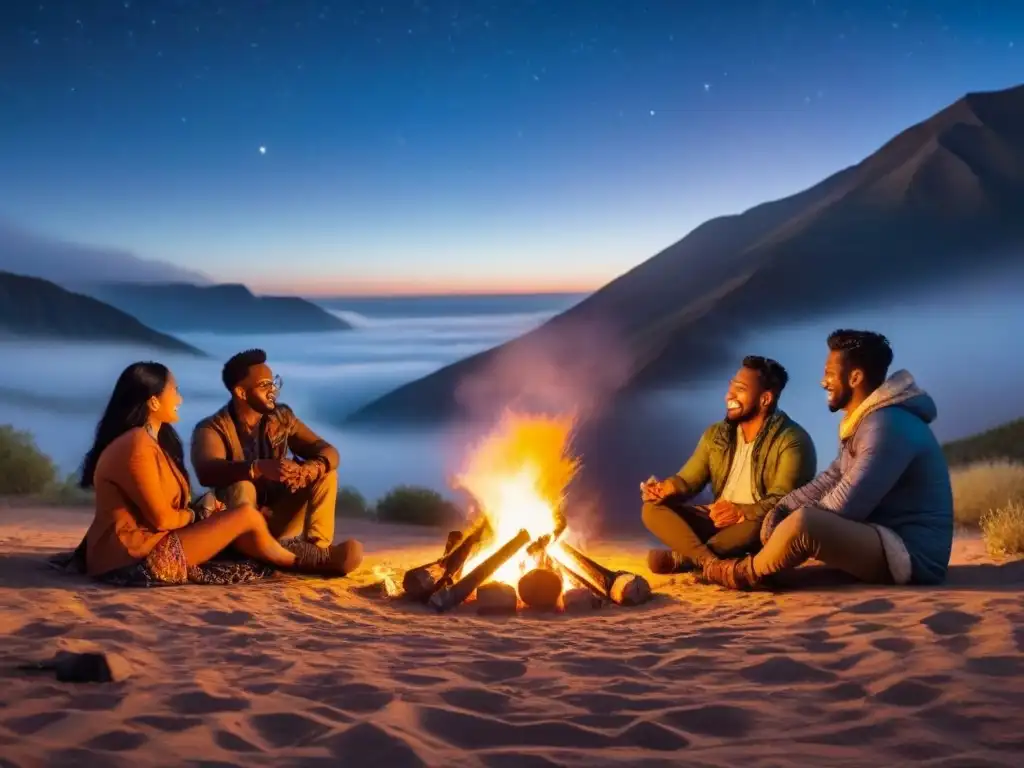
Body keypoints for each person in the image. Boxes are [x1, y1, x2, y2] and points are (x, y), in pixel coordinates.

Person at [702, 330, 953, 590]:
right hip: (884, 539)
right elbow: (832, 477)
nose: (824, 382)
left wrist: (790, 521)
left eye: (830, 373)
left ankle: (746, 572)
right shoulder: (867, 422)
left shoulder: (887, 425)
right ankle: (759, 566)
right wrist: (781, 508)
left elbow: (846, 505)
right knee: (797, 519)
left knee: (806, 523)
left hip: (910, 557)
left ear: (855, 377)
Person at [77, 361, 362, 587]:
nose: (180, 398)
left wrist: (312, 467)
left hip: (146, 546)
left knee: (322, 475)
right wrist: (199, 514)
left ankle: (312, 552)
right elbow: (165, 516)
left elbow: (326, 450)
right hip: (131, 558)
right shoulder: (139, 444)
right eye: (174, 390)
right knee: (245, 513)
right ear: (153, 402)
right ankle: (301, 562)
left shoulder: (153, 442)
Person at [642, 356, 817, 574]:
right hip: (716, 521)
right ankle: (708, 562)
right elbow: (688, 480)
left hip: (756, 526)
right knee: (652, 509)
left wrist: (740, 512)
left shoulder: (793, 440)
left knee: (759, 527)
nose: (729, 396)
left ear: (765, 399)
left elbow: (784, 502)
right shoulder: (716, 435)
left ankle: (689, 557)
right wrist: (665, 489)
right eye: (730, 387)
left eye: (740, 389)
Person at [191, 349, 353, 567]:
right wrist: (257, 468)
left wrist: (311, 469)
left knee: (327, 473)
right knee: (242, 486)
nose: (273, 390)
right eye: (264, 385)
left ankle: (317, 551)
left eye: (274, 382)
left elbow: (327, 450)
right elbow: (207, 470)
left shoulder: (281, 417)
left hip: (277, 516)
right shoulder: (211, 428)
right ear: (241, 392)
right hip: (240, 522)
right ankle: (255, 549)